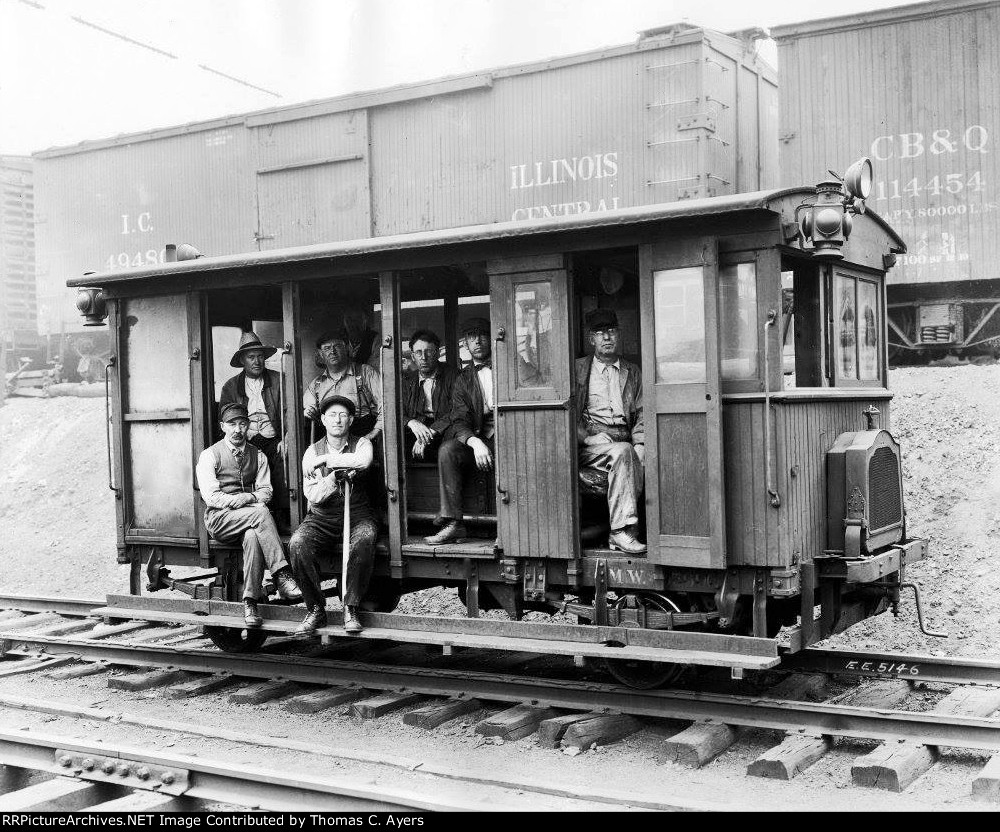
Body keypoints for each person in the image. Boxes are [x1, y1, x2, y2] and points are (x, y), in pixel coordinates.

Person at [195, 402, 302, 628]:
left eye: (242, 424)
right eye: (232, 424)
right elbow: (211, 497)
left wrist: (248, 498)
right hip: (219, 519)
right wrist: (240, 502)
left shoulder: (259, 455)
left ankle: (250, 602)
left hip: (249, 517)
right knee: (261, 513)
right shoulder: (209, 455)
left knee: (254, 536)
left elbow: (267, 491)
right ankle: (281, 573)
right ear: (222, 426)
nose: (238, 429)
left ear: (248, 426)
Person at [290, 394, 379, 635]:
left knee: (364, 539)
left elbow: (363, 462)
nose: (337, 420)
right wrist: (332, 478)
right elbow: (314, 495)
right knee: (298, 544)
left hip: (358, 513)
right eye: (332, 415)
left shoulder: (362, 444)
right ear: (323, 420)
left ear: (351, 420)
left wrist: (328, 460)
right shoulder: (311, 451)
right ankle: (316, 609)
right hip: (323, 517)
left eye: (343, 415)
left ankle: (350, 607)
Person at [575, 308, 646, 554]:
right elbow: (564, 415)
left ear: (619, 335)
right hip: (590, 448)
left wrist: (641, 443)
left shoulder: (633, 371)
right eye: (600, 333)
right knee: (624, 452)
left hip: (624, 443)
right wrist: (586, 437)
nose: (606, 337)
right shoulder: (577, 370)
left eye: (611, 331)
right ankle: (620, 532)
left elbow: (643, 411)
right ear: (591, 339)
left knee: (634, 454)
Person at [424, 318, 495, 545]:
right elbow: (458, 418)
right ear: (465, 343)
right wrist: (474, 441)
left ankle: (510, 526)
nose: (478, 341)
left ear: (491, 338)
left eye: (482, 335)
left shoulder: (512, 366)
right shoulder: (463, 378)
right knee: (448, 450)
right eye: (472, 337)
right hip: (481, 436)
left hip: (510, 435)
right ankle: (454, 523)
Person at [219, 331, 287, 516]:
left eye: (260, 356)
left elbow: (290, 412)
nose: (257, 361)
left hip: (274, 438)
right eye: (251, 357)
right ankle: (252, 513)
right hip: (245, 440)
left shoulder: (278, 380)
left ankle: (281, 514)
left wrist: (287, 438)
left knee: (282, 459)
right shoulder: (231, 386)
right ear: (242, 360)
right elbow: (227, 418)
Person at [303, 329, 383, 442]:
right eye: (327, 348)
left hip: (362, 438)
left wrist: (373, 434)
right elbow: (305, 411)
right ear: (321, 354)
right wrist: (307, 412)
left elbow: (386, 407)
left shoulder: (365, 373)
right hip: (330, 444)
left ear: (346, 348)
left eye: (337, 346)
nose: (332, 351)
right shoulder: (317, 384)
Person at [400, 328, 458, 460]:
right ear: (413, 356)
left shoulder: (454, 376)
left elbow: (457, 410)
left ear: (437, 353)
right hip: (417, 428)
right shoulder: (407, 380)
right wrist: (411, 422)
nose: (424, 357)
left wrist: (431, 432)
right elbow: (397, 411)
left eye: (429, 352)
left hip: (444, 430)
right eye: (418, 353)